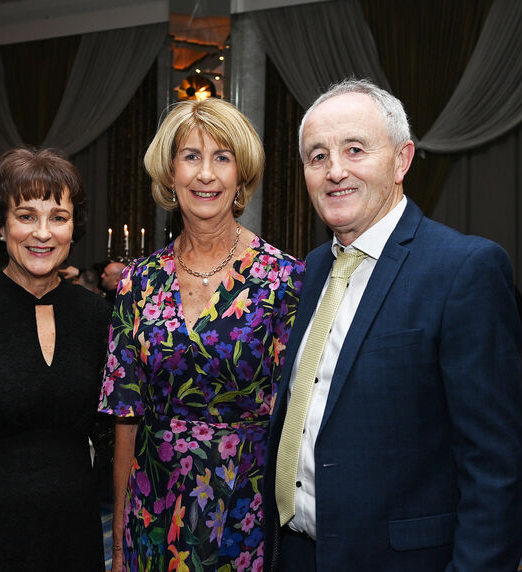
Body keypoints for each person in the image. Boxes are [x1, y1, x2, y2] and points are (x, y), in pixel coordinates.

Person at [264, 78, 522, 570]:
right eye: (317, 156)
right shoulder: (314, 268)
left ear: (402, 160)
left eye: (355, 149)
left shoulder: (464, 269)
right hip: (294, 554)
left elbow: (495, 468)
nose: (334, 170)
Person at [99, 98, 305, 571]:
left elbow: (298, 417)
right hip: (151, 513)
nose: (206, 174)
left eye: (222, 157)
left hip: (244, 512)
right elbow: (125, 420)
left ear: (241, 175)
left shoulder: (285, 279)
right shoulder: (138, 281)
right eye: (191, 156)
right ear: (170, 174)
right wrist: (116, 546)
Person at [0, 148, 109, 570]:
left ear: (74, 227)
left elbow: (114, 437)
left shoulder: (98, 317)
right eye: (26, 216)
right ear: (1, 226)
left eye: (58, 217)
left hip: (75, 537)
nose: (43, 233)